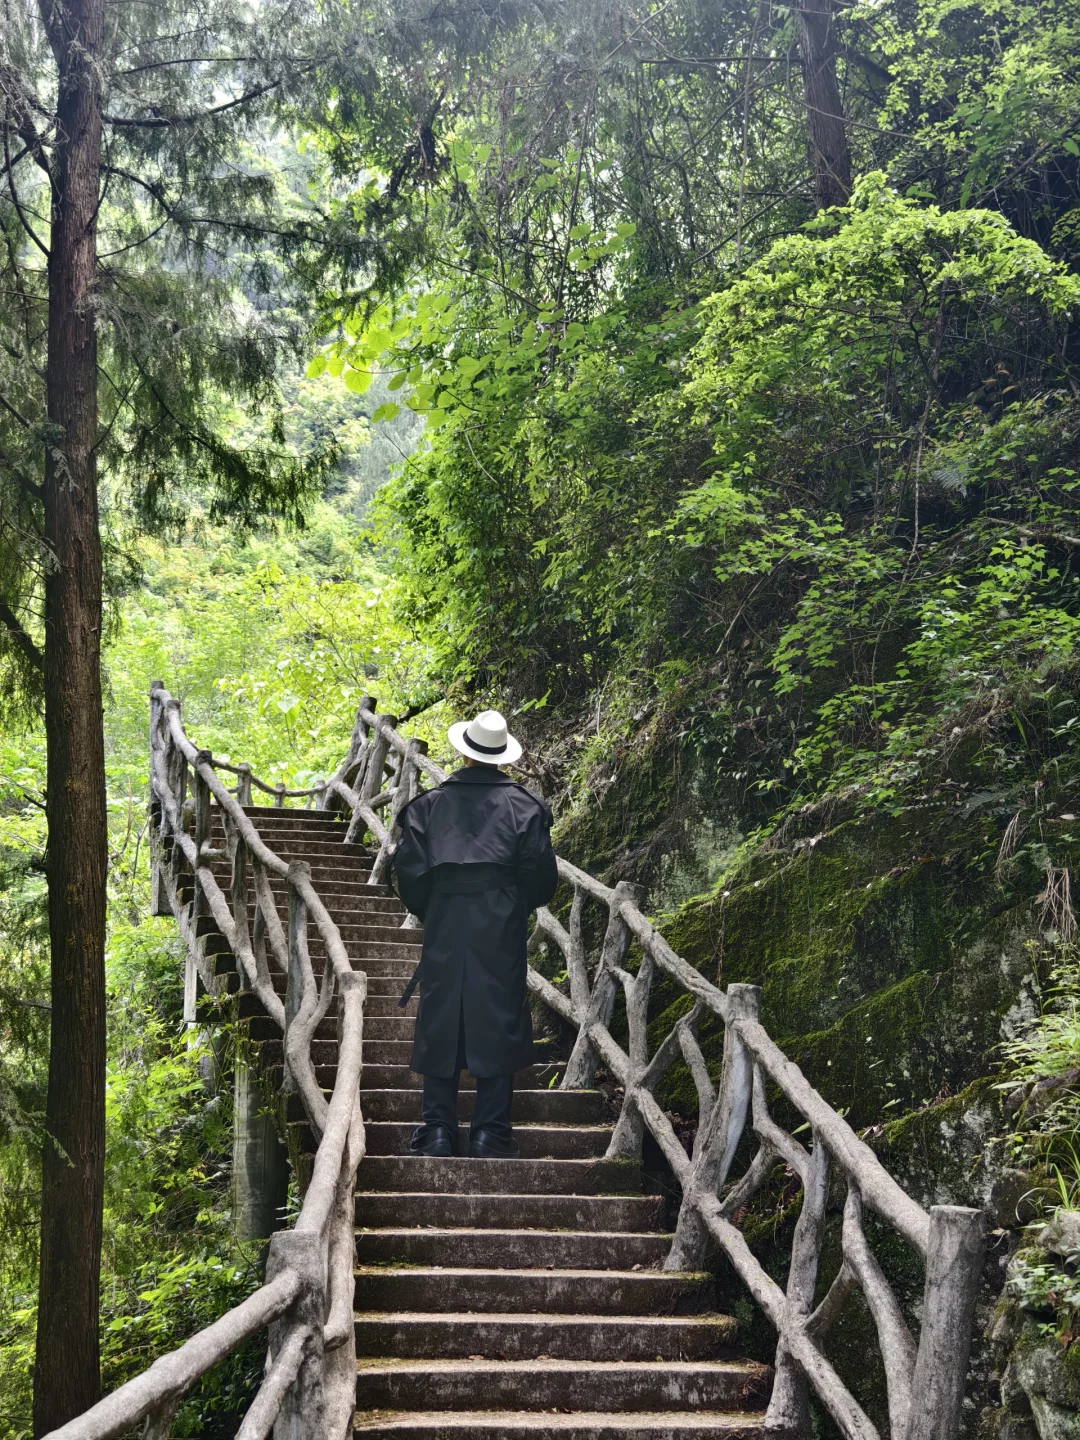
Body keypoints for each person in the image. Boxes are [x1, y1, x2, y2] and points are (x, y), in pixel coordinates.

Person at [388, 709, 558, 1158]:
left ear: (463, 752)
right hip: (500, 922)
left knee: (441, 1011)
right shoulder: (526, 807)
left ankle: (438, 1129)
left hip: (445, 919)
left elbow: (408, 877)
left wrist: (437, 908)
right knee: (498, 1015)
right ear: (502, 756)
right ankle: (490, 1132)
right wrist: (509, 904)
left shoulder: (427, 807)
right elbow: (542, 880)